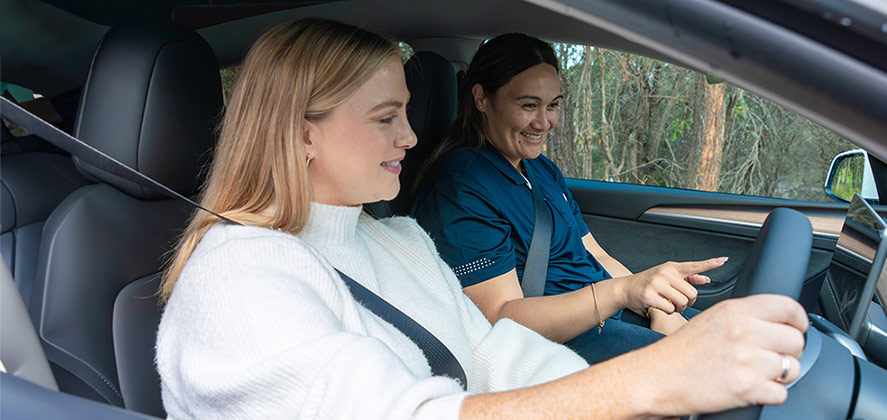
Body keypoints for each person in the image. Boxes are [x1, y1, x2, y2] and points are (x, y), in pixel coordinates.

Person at [156, 18, 807, 419]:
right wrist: (648, 383)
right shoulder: (238, 276)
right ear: (303, 134)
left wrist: (639, 400)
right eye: (385, 118)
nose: (411, 136)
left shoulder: (398, 239)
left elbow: (497, 354)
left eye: (406, 111)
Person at [411, 33, 718, 363]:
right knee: (704, 366)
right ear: (482, 98)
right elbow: (499, 318)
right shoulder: (459, 187)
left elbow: (593, 252)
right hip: (554, 340)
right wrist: (621, 292)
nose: (545, 122)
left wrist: (651, 303)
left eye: (553, 105)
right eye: (529, 105)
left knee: (728, 337)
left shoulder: (540, 168)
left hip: (604, 312)